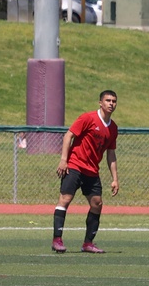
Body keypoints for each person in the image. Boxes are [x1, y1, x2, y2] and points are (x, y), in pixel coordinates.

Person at [51, 90, 119, 254]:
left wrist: (115, 178)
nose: (111, 103)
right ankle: (57, 240)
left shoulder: (113, 128)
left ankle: (88, 243)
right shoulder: (87, 118)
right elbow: (69, 136)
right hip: (75, 165)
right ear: (100, 103)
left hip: (92, 171)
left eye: (114, 101)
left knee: (97, 204)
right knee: (65, 199)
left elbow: (111, 153)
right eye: (108, 100)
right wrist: (63, 160)